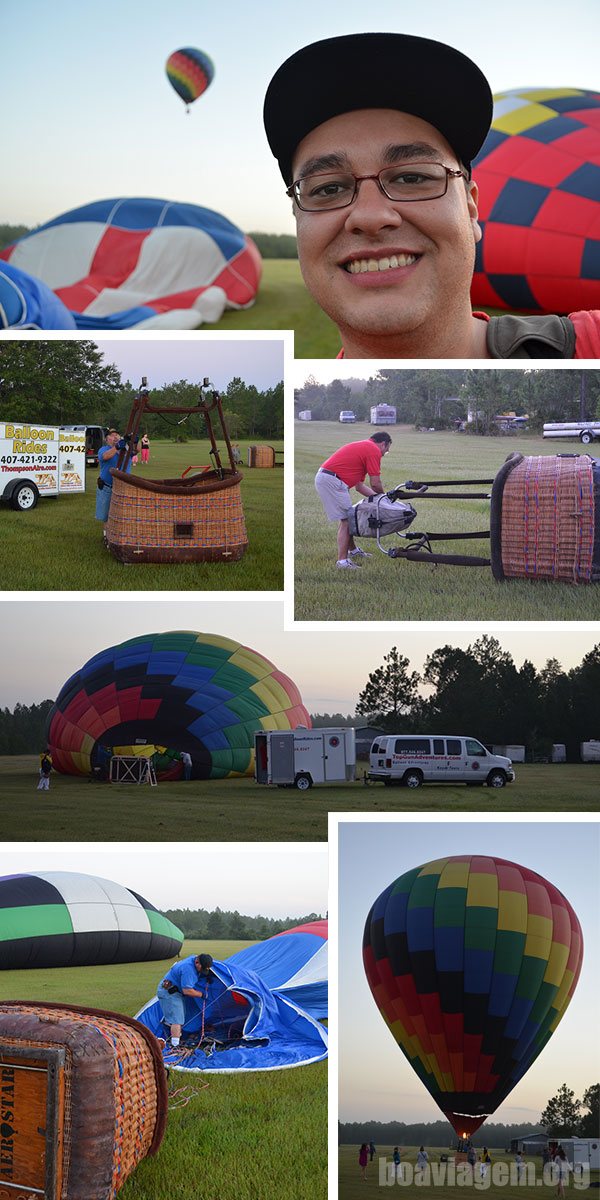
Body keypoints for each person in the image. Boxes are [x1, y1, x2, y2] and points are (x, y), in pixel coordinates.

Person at [264, 33, 600, 360]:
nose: (371, 216)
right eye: (328, 188)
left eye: (412, 177)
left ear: (470, 208)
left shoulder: (588, 346)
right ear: (298, 220)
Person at [314, 430, 392, 569]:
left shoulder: (364, 448)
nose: (383, 454)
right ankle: (342, 562)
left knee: (347, 518)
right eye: (386, 451)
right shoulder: (373, 450)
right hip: (333, 481)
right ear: (383, 444)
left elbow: (360, 487)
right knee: (347, 521)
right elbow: (375, 483)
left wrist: (380, 499)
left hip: (329, 479)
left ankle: (353, 551)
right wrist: (385, 498)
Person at [157, 952, 214, 1047]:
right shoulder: (188, 969)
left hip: (176, 992)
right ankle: (175, 1046)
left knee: (180, 1016)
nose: (202, 971)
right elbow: (187, 991)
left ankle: (177, 1036)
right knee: (177, 1020)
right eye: (202, 968)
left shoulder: (194, 959)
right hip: (169, 993)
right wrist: (202, 994)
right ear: (197, 962)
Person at [95, 429, 135, 541]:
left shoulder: (126, 449)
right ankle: (106, 536)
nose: (115, 437)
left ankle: (121, 536)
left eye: (116, 435)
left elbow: (137, 451)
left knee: (124, 513)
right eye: (111, 436)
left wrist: (134, 441)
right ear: (106, 439)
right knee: (106, 515)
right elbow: (106, 456)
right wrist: (117, 447)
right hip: (108, 487)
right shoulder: (103, 449)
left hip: (124, 487)